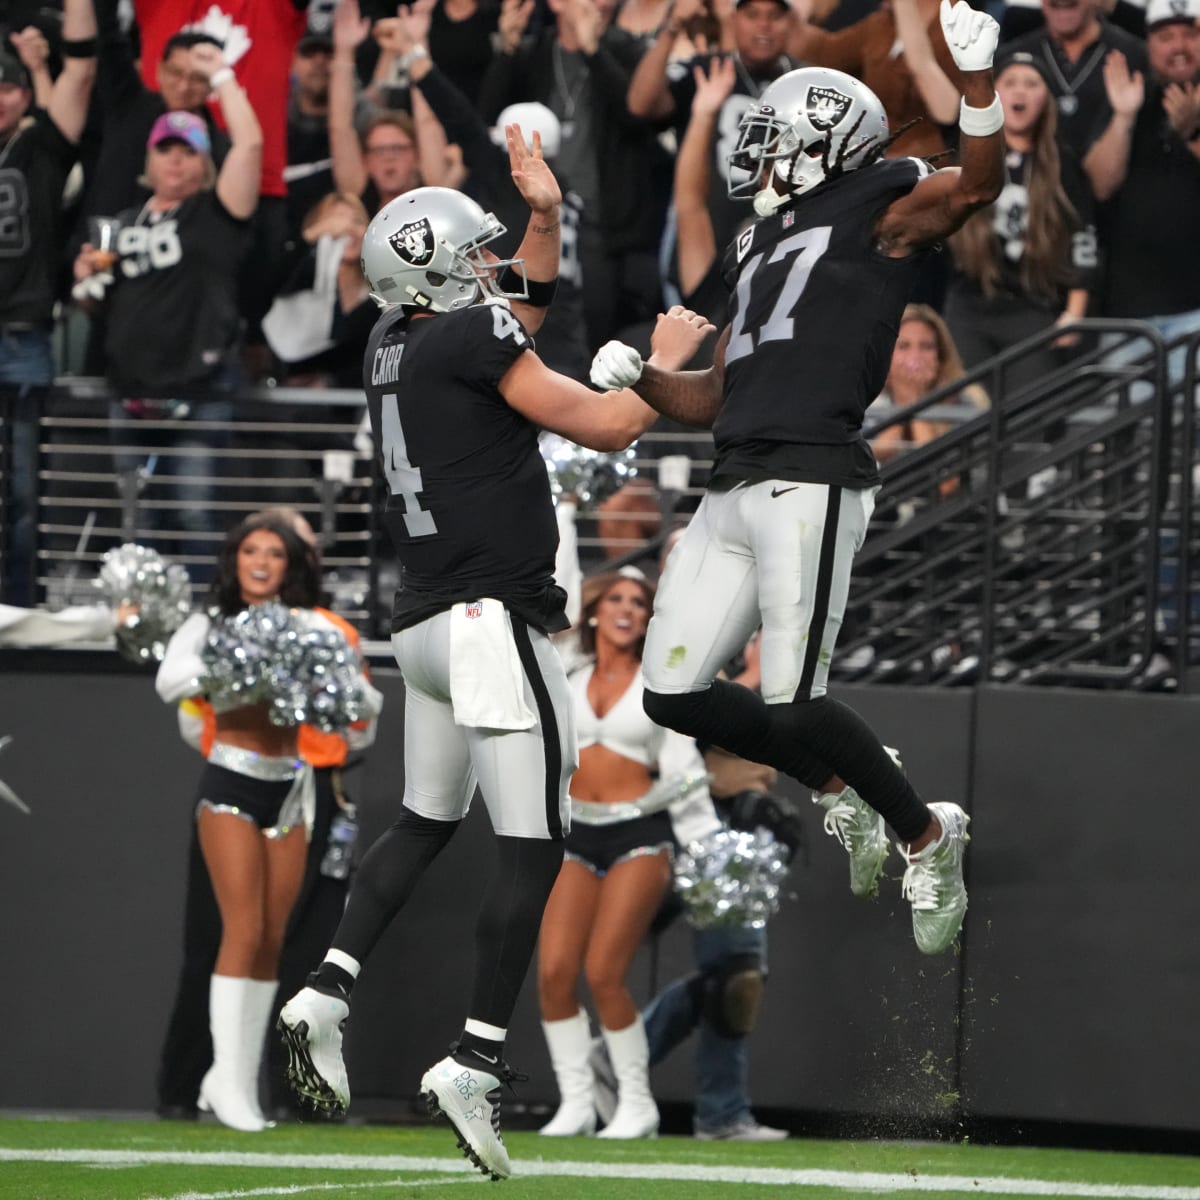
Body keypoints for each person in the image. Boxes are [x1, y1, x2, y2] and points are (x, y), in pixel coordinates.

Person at [275, 128, 713, 1179]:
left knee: (427, 820)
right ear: (432, 274)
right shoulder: (467, 342)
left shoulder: (394, 337)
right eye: (471, 255)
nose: (489, 266)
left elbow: (514, 311)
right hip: (488, 617)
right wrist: (665, 367)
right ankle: (474, 1056)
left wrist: (548, 216)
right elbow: (605, 428)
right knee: (534, 843)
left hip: (421, 623)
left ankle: (326, 988)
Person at [587, 0, 1008, 956]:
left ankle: (927, 833)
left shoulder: (881, 198)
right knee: (673, 695)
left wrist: (977, 87)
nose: (761, 154)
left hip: (813, 475)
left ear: (829, 142)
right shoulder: (756, 241)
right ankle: (842, 789)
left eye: (777, 137)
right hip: (734, 475)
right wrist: (645, 377)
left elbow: (978, 184)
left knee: (796, 700)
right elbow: (715, 393)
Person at [154, 512, 382, 1132]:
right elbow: (170, 681)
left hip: (294, 787)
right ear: (233, 561)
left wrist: (334, 688)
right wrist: (233, 663)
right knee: (242, 926)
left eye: (274, 553)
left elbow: (367, 708)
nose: (261, 562)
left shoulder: (314, 627)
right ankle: (228, 1080)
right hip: (229, 780)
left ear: (292, 565)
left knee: (274, 940)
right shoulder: (211, 623)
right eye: (249, 549)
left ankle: (234, 1080)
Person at [538, 571, 721, 1140]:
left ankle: (636, 1104)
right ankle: (576, 1102)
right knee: (553, 972)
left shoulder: (659, 681)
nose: (625, 609)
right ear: (593, 611)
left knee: (604, 972)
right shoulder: (569, 670)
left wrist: (708, 849)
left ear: (648, 620)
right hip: (574, 832)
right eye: (614, 599)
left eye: (637, 603)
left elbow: (685, 769)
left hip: (640, 832)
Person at [72, 46, 262, 575]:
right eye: (166, 148)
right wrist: (85, 282)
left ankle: (201, 629)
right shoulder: (121, 222)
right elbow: (94, 307)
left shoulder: (215, 213)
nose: (175, 158)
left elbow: (250, 143)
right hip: (130, 388)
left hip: (198, 386)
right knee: (137, 521)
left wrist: (221, 76)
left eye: (187, 149)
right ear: (149, 160)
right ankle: (146, 638)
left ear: (204, 163)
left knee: (195, 513)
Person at [0, 0, 97, 606]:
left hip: (22, 335)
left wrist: (40, 71)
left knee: (24, 489)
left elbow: (79, 80)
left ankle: (20, 605)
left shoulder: (39, 150)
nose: (1, 98)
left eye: (9, 88)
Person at [943, 49, 1096, 396]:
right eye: (1010, 82)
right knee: (964, 419)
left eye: (1031, 83)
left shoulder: (1062, 164)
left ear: (1046, 99)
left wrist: (1075, 313)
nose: (1020, 92)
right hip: (969, 305)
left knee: (1027, 421)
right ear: (995, 94)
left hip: (1033, 306)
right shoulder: (965, 157)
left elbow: (1084, 237)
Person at [1083, 0, 1200, 353]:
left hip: (1197, 312)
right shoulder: (1131, 95)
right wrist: (1123, 118)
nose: (1178, 46)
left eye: (1190, 35)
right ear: (1148, 45)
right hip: (1129, 313)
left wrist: (1192, 134)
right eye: (1165, 36)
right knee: (1122, 409)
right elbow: (1100, 184)